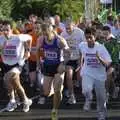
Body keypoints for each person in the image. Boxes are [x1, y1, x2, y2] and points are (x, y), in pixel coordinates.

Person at [36, 23, 70, 120]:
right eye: (43, 34)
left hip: (58, 66)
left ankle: (54, 110)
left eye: (47, 34)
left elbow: (68, 53)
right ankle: (57, 91)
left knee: (57, 90)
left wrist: (63, 64)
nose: (45, 36)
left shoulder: (59, 40)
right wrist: (38, 63)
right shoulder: (41, 39)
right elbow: (37, 50)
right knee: (46, 92)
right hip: (47, 66)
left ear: (52, 31)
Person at [79, 27, 112, 120]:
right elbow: (80, 52)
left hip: (99, 76)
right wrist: (79, 63)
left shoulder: (101, 48)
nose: (88, 40)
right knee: (86, 90)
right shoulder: (82, 45)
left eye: (91, 37)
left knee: (101, 97)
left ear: (95, 37)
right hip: (87, 72)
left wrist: (99, 58)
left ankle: (101, 113)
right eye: (87, 37)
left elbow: (108, 63)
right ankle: (88, 99)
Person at [0, 20, 32, 112]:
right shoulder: (1, 38)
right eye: (4, 30)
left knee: (6, 79)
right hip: (6, 64)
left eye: (7, 30)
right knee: (16, 85)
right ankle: (26, 100)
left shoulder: (18, 37)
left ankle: (12, 100)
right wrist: (2, 47)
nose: (5, 32)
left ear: (11, 30)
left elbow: (29, 37)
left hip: (17, 64)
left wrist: (27, 51)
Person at [61, 20, 85, 104]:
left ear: (74, 26)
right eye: (66, 28)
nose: (68, 30)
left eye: (69, 29)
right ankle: (72, 96)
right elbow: (61, 47)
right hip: (69, 59)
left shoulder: (80, 33)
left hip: (79, 57)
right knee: (69, 76)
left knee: (80, 78)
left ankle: (86, 94)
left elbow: (83, 47)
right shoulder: (63, 34)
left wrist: (81, 60)